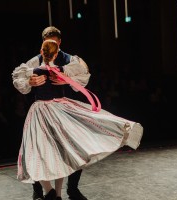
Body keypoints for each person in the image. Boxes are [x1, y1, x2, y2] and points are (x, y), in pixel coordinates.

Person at [13, 39, 143, 200]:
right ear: (56, 53)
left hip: (41, 111)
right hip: (59, 109)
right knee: (59, 150)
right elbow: (80, 80)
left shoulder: (35, 70)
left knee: (41, 151)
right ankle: (55, 193)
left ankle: (51, 192)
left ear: (41, 52)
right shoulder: (59, 70)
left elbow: (21, 78)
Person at [12, 26, 91, 200]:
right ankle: (42, 191)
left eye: (54, 43)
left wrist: (65, 78)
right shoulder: (35, 61)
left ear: (59, 42)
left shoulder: (70, 60)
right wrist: (30, 81)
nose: (50, 47)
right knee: (39, 148)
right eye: (47, 43)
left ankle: (70, 189)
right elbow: (19, 78)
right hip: (43, 110)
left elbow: (83, 75)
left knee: (71, 147)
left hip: (64, 110)